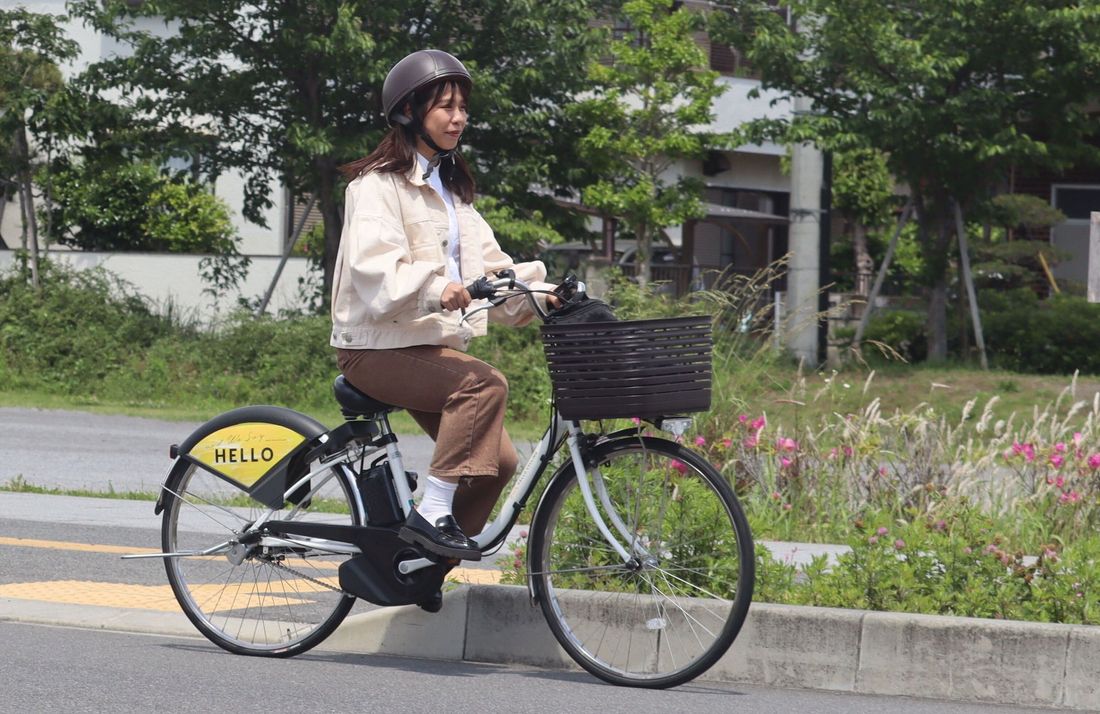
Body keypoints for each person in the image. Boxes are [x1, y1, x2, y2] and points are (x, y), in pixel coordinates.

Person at [331, 49, 558, 573]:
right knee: (482, 384)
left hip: (425, 347)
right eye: (445, 107)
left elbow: (493, 275)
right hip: (373, 346)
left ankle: (417, 569)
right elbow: (375, 273)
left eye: (462, 108)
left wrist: (543, 296)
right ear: (410, 112)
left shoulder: (453, 196)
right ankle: (431, 515)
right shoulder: (375, 188)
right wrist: (439, 289)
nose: (458, 118)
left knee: (496, 466)